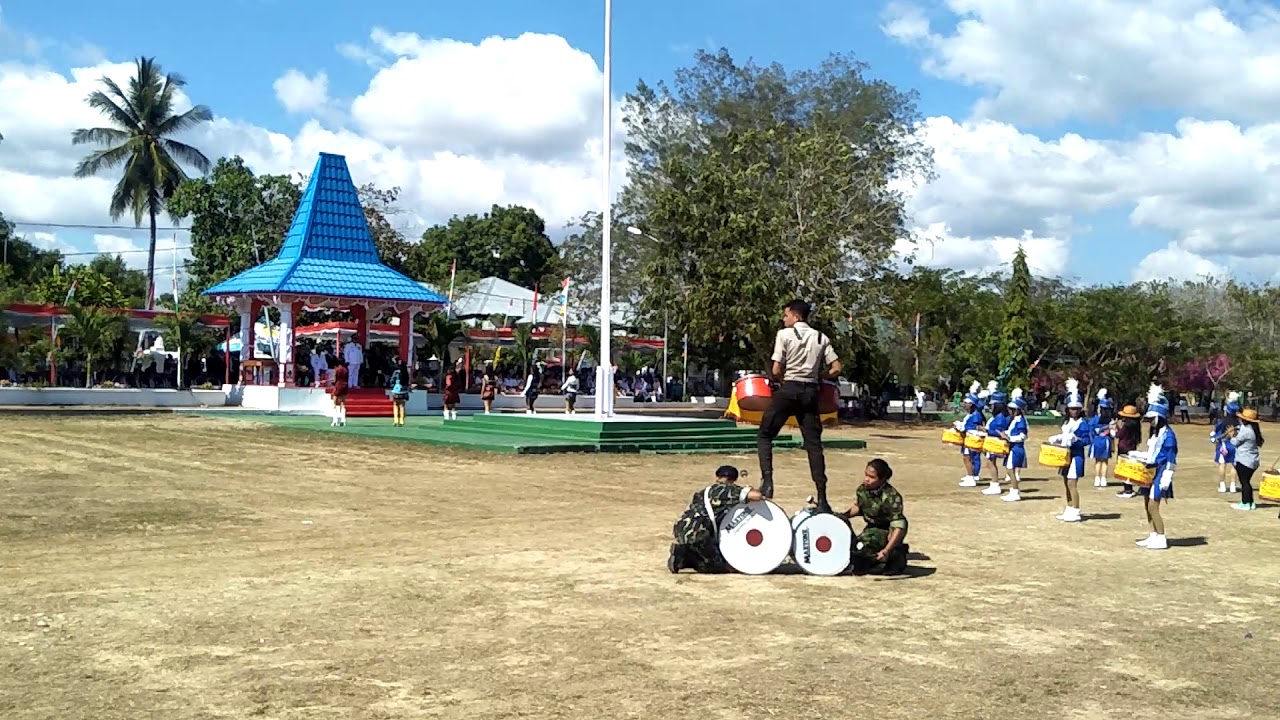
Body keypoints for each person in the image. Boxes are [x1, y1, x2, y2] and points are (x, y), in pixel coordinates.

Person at [756, 299, 841, 512]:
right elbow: (836, 367)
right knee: (813, 445)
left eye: (786, 315)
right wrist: (819, 375)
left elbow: (776, 369)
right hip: (810, 391)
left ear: (795, 316)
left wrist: (784, 380)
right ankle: (822, 497)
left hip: (789, 388)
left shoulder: (784, 335)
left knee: (765, 434)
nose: (784, 319)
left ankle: (767, 481)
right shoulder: (821, 337)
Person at [668, 465, 768, 573]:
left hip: (681, 527)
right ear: (733, 479)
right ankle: (684, 557)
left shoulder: (702, 492)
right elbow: (756, 496)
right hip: (698, 532)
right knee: (717, 566)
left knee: (704, 550)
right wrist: (750, 490)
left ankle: (684, 551)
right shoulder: (729, 490)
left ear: (717, 477)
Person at [838, 458, 909, 575]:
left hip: (887, 530)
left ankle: (896, 556)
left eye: (872, 477)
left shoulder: (891, 497)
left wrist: (887, 550)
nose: (866, 479)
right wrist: (842, 516)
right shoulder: (863, 489)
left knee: (862, 548)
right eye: (866, 475)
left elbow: (899, 526)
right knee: (854, 547)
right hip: (871, 528)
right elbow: (859, 507)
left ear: (882, 479)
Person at [1135, 384, 1177, 550]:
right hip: (1150, 472)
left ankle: (1161, 537)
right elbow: (1152, 454)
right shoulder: (1155, 434)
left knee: (1153, 505)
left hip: (1161, 473)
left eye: (1152, 419)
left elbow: (1171, 459)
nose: (1150, 422)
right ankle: (1152, 535)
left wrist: (1167, 477)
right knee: (1147, 504)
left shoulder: (1169, 435)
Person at [1048, 377, 1092, 523]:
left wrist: (1076, 440)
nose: (1074, 411)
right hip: (1065, 455)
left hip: (1076, 456)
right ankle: (1069, 507)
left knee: (1072, 483)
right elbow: (1064, 436)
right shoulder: (1067, 422)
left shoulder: (1083, 423)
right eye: (1072, 409)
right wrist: (1058, 438)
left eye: (1076, 409)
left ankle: (1076, 510)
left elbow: (1087, 440)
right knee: (1066, 482)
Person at [1230, 407, 1264, 511]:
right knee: (1246, 482)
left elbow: (1235, 443)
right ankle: (1250, 502)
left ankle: (1245, 503)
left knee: (1244, 482)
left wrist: (1231, 436)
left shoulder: (1246, 431)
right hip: (1252, 460)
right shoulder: (1253, 429)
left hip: (1244, 460)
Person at [1000, 388, 1030, 502]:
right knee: (1009, 469)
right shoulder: (1015, 420)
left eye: (1012, 409)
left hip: (1017, 448)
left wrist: (1009, 438)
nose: (1009, 411)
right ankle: (1013, 490)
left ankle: (1015, 491)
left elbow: (1023, 436)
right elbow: (1012, 432)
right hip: (1013, 448)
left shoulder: (1020, 421)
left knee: (1010, 469)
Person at [956, 381, 988, 488]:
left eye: (966, 402)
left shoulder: (976, 415)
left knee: (970, 457)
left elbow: (974, 428)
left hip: (972, 439)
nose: (964, 404)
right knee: (968, 457)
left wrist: (962, 427)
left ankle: (973, 476)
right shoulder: (971, 414)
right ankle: (970, 475)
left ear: (971, 404)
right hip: (968, 439)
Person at [981, 382, 1011, 496]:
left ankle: (995, 484)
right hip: (992, 442)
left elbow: (999, 432)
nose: (991, 406)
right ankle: (994, 484)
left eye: (993, 404)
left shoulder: (1000, 418)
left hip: (995, 443)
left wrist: (986, 431)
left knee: (990, 462)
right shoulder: (1000, 416)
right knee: (990, 462)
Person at [1211, 391, 1241, 494]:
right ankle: (1233, 486)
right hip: (1235, 445)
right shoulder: (1239, 422)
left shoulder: (1222, 422)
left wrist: (1214, 439)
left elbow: (1215, 434)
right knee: (1234, 466)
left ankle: (1222, 486)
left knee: (1222, 465)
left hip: (1224, 445)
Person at [1114, 404, 1144, 498]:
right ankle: (1128, 489)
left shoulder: (1127, 426)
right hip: (1131, 447)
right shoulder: (1136, 425)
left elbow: (1119, 435)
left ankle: (1128, 490)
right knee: (1129, 468)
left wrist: (1116, 429)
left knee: (1124, 469)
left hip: (1124, 448)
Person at [1089, 389, 1115, 488]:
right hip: (1106, 442)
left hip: (1097, 441)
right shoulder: (1110, 420)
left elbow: (1092, 430)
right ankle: (1103, 479)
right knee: (1105, 461)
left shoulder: (1095, 419)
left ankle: (1097, 478)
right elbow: (1112, 433)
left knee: (1098, 461)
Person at [390, 360, 411, 427]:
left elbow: (391, 381)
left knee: (395, 405)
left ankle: (395, 420)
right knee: (402, 406)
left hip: (396, 391)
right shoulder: (405, 372)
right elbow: (407, 381)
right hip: (403, 391)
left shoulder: (396, 372)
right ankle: (401, 421)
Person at [330, 360, 349, 427]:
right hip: (345, 386)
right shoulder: (346, 369)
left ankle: (335, 420)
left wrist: (332, 382)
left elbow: (334, 380)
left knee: (334, 403)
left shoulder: (337, 369)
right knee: (343, 403)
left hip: (338, 386)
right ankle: (343, 420)